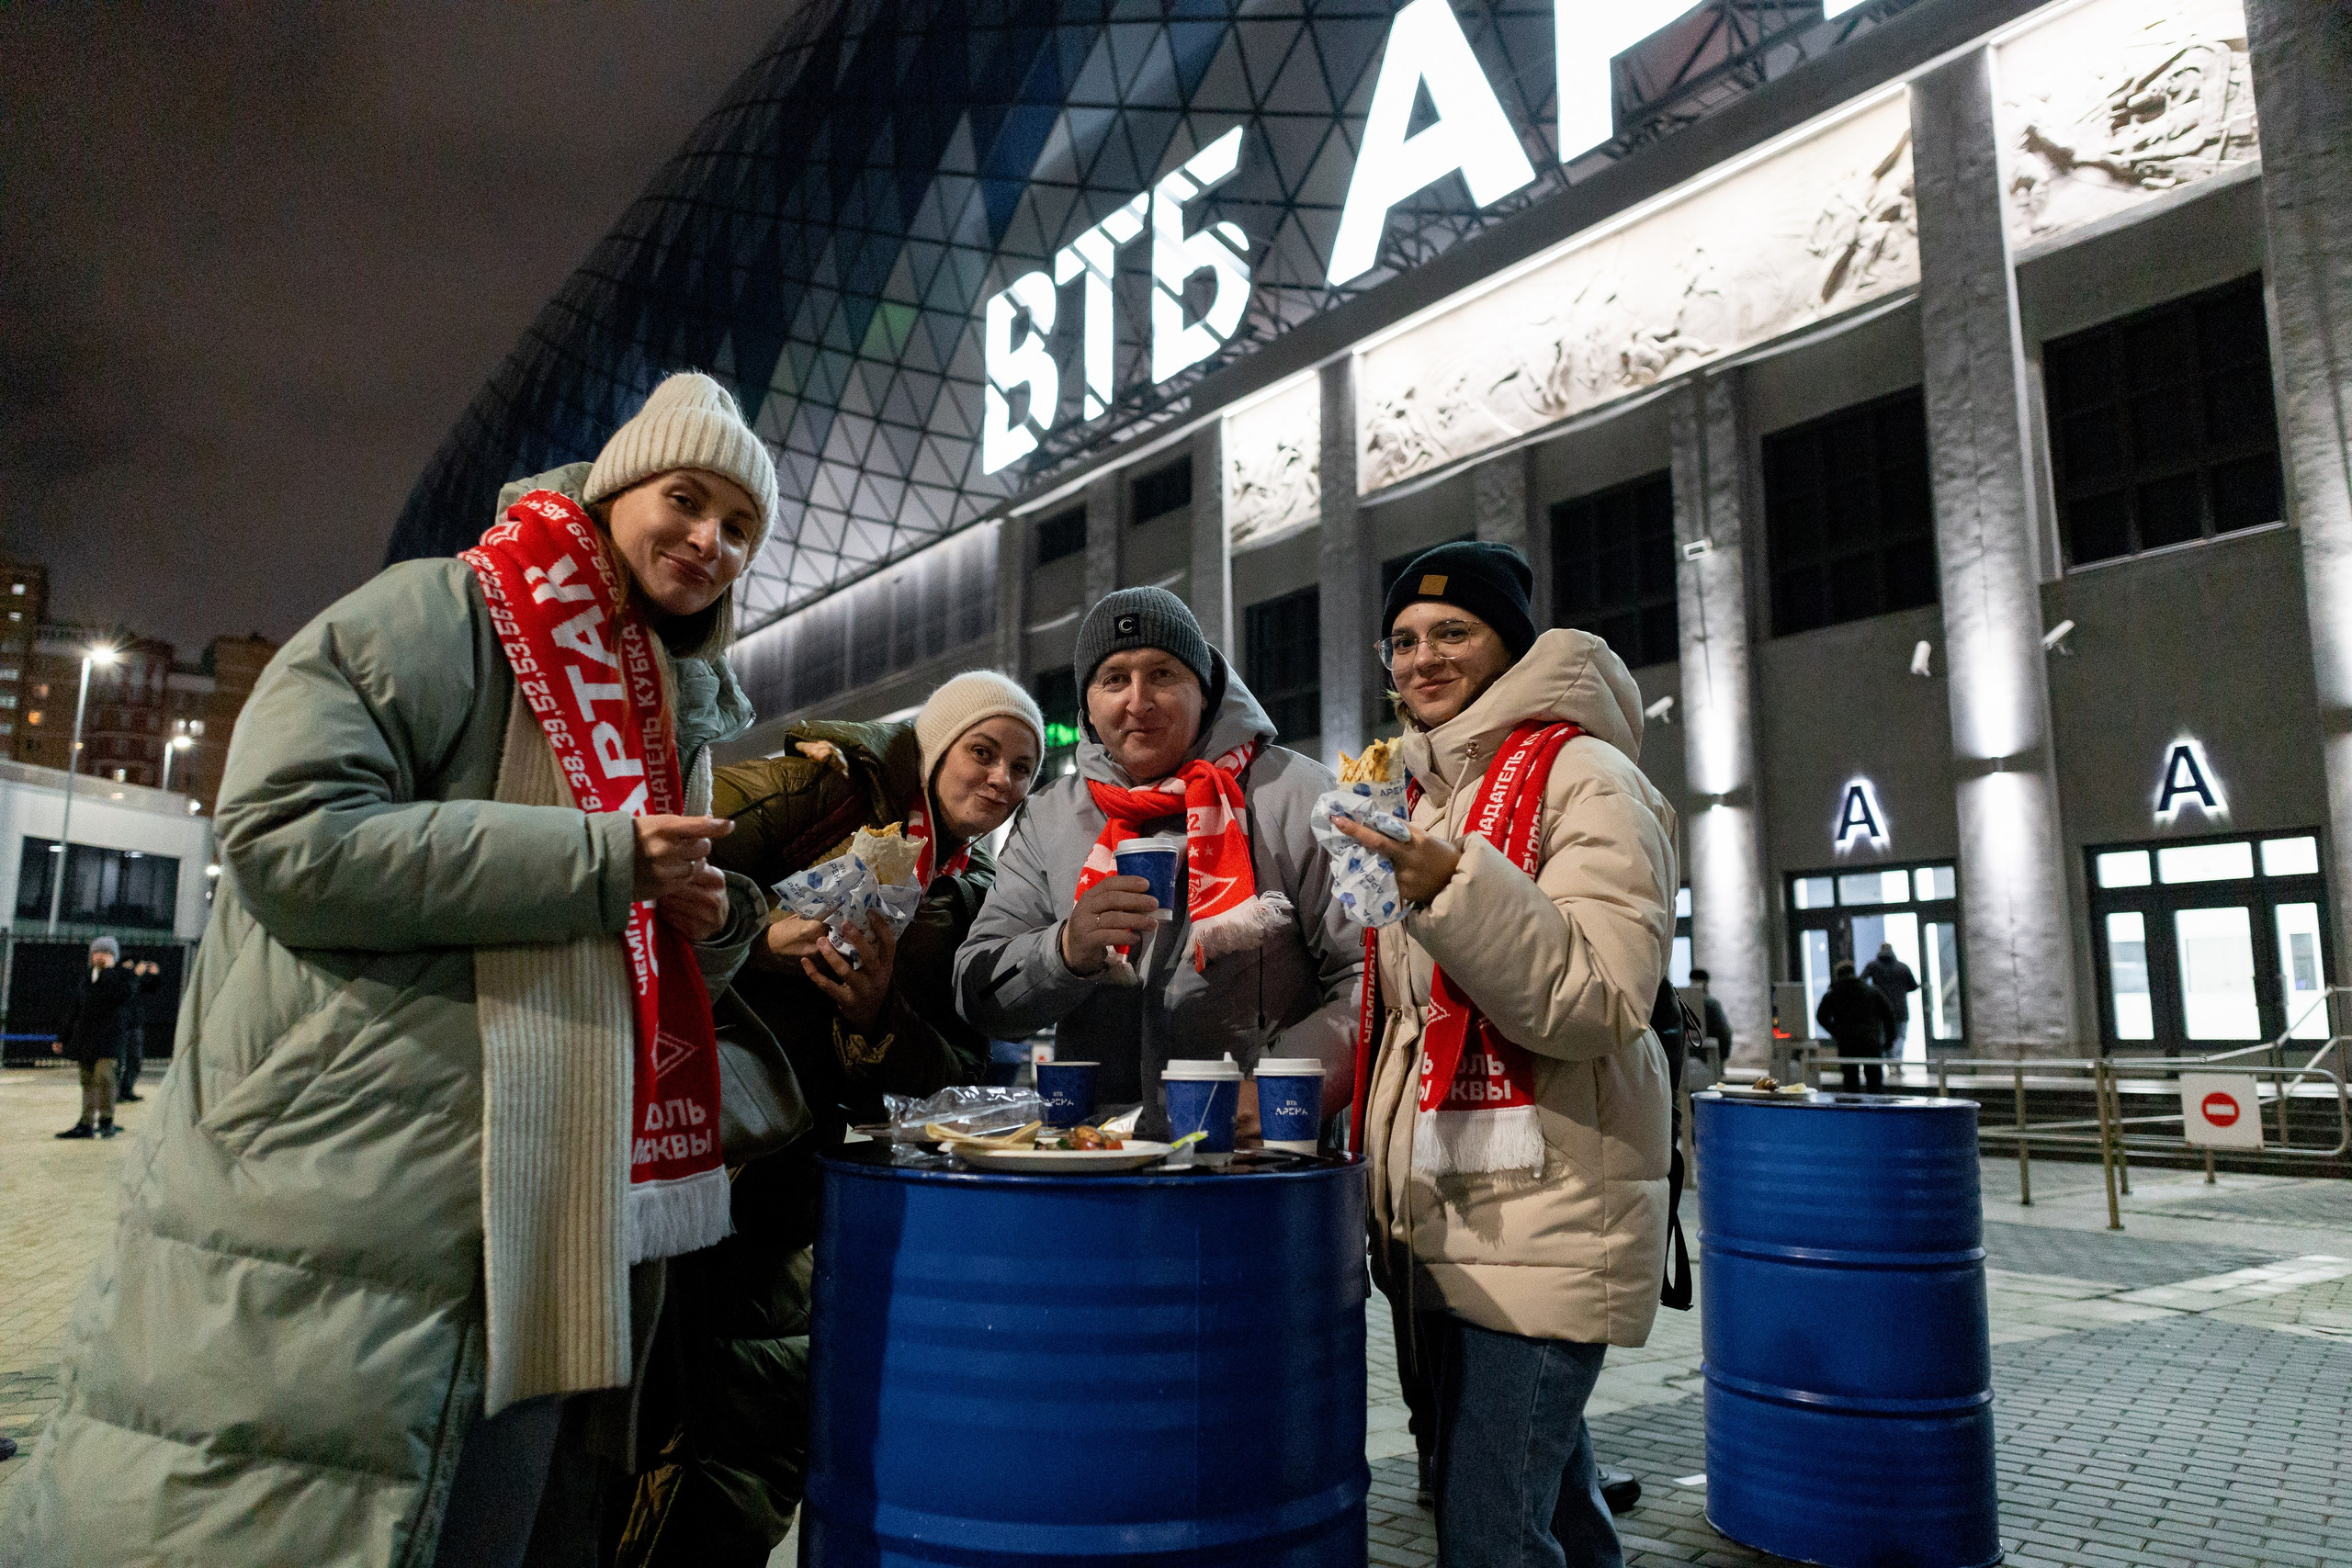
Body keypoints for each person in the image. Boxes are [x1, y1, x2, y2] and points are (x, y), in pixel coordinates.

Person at [1, 371, 786, 1568]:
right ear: (622, 483)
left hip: (565, 1228)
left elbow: (629, 963)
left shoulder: (673, 716)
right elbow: (283, 836)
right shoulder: (441, 614)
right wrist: (599, 857)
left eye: (741, 528)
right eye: (688, 498)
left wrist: (708, 918)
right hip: (368, 1191)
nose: (711, 541)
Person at [617, 671, 1044, 1565]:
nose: (1003, 778)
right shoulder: (821, 791)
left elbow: (959, 1082)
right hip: (671, 1145)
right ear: (930, 744)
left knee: (744, 1443)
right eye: (983, 750)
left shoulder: (969, 897)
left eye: (1023, 766)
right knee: (642, 1431)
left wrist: (879, 1018)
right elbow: (646, 846)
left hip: (786, 1197)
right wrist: (759, 927)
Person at [1330, 540, 1678, 1568]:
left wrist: (1446, 887)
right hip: (1441, 1213)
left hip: (1543, 1209)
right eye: (1402, 640)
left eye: (1453, 633)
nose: (1422, 658)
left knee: (1489, 1533)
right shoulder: (1411, 791)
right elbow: (1403, 1009)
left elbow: (1600, 998)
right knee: (1546, 1507)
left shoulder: (1586, 774)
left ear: (1511, 644)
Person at [956, 586, 1363, 1134]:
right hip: (1099, 1158)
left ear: (1205, 688)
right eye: (1114, 679)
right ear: (1089, 708)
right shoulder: (1049, 817)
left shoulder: (1297, 794)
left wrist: (1278, 1089)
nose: (1137, 701)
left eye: (1163, 674)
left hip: (1256, 1162)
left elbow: (1367, 977)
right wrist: (1064, 950)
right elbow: (976, 992)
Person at [51, 936, 137, 1139]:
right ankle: (86, 1123)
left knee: (105, 1078)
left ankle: (106, 1121)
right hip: (86, 1038)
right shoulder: (87, 977)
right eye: (97, 952)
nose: (101, 956)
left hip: (110, 1039)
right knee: (88, 1080)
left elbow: (120, 996)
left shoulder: (122, 976)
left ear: (114, 956)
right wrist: (62, 1037)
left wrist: (108, 972)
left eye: (107, 953)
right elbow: (76, 1008)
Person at [1816, 958, 1898, 1092]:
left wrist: (1836, 1032)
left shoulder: (1833, 994)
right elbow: (1888, 1016)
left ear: (1838, 975)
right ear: (1854, 972)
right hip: (1871, 1041)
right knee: (1875, 1081)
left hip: (1847, 1042)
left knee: (1850, 1082)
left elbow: (1821, 1017)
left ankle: (1853, 1110)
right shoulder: (1871, 991)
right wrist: (1889, 1040)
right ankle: (1876, 1110)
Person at [112, 958, 158, 1102]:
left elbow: (151, 989)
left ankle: (127, 1089)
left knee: (135, 1059)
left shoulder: (136, 979)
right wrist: (134, 975)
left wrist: (154, 975)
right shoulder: (118, 976)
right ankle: (115, 1093)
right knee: (119, 1060)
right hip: (121, 1024)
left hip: (135, 1023)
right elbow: (124, 992)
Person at [1862, 942, 1919, 1057]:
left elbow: (1862, 981)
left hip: (1879, 1010)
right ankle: (1896, 1063)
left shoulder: (1872, 966)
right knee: (1899, 1037)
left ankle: (1885, 1061)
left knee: (1882, 1037)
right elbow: (1913, 986)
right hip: (1900, 1010)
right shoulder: (1903, 967)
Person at [1687, 966, 1734, 1073]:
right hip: (1710, 1057)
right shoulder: (1711, 1004)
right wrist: (1723, 1056)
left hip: (1687, 1057)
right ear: (1706, 983)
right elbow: (1724, 1032)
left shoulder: (1682, 1002)